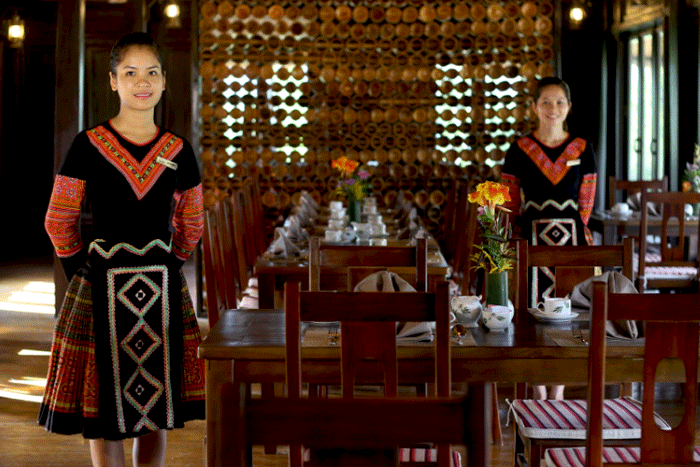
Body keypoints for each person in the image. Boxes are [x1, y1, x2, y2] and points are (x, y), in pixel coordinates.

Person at [38, 32, 205, 467]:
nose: (141, 82)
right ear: (113, 81)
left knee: (155, 403)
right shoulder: (88, 144)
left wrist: (171, 265)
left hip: (159, 292)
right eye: (130, 73)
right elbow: (58, 218)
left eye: (151, 72)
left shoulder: (179, 151)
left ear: (165, 81)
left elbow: (193, 220)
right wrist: (83, 271)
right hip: (102, 289)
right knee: (106, 402)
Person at [501, 77, 597, 400]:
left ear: (569, 107)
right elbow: (510, 202)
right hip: (530, 238)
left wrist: (576, 236)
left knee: (567, 316)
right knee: (530, 313)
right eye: (546, 102)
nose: (552, 108)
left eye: (559, 102)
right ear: (534, 107)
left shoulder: (582, 148)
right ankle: (538, 389)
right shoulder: (518, 150)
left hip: (570, 241)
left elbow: (587, 202)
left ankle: (557, 391)